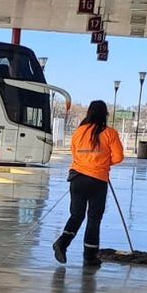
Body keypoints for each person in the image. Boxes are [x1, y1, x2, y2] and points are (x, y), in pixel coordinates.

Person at [53, 100, 124, 268]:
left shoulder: (79, 132)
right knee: (94, 219)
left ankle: (62, 243)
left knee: (76, 215)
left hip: (77, 178)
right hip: (98, 180)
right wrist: (103, 163)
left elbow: (74, 152)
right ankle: (90, 256)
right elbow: (118, 157)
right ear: (105, 114)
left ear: (89, 113)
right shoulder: (110, 133)